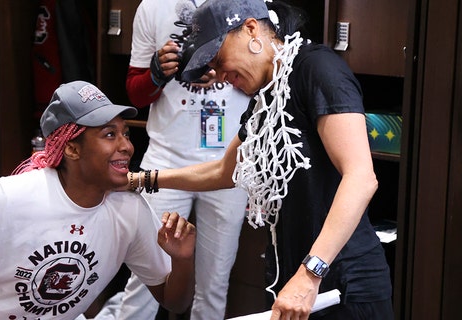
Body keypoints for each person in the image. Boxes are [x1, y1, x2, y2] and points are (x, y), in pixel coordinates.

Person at [129, 0, 394, 319]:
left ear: (251, 29)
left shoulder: (317, 68)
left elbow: (361, 177)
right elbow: (224, 171)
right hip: (296, 282)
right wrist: (142, 179)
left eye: (219, 60)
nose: (221, 76)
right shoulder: (265, 96)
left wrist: (310, 274)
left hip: (342, 283)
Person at [0, 81, 196, 320]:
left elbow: (174, 301)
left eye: (125, 133)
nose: (127, 145)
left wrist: (182, 259)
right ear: (71, 149)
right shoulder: (8, 197)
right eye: (109, 135)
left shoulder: (130, 211)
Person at [116, 0, 250, 319]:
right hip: (166, 160)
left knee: (214, 286)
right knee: (146, 281)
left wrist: (226, 69)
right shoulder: (153, 6)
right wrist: (157, 73)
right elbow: (135, 95)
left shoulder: (249, 4)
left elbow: (269, 78)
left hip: (229, 164)